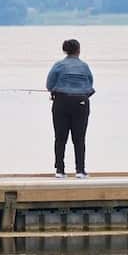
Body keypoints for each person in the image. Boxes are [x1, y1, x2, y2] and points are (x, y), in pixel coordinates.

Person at [47, 39, 95, 179]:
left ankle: (60, 170)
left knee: (60, 138)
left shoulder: (58, 65)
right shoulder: (84, 66)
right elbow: (90, 84)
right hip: (81, 102)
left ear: (64, 50)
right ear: (78, 50)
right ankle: (80, 170)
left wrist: (56, 92)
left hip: (61, 101)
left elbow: (49, 84)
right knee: (79, 138)